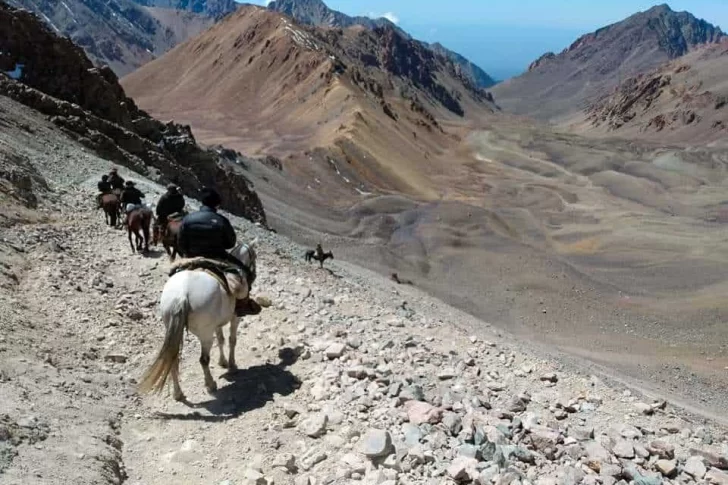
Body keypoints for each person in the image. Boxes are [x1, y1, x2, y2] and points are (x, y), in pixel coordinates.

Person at [177, 188, 252, 316]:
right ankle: (241, 305)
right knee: (244, 271)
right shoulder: (221, 220)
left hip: (192, 257)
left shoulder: (188, 219)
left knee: (174, 273)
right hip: (217, 257)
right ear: (217, 204)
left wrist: (188, 254)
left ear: (202, 202)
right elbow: (230, 244)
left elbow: (180, 243)